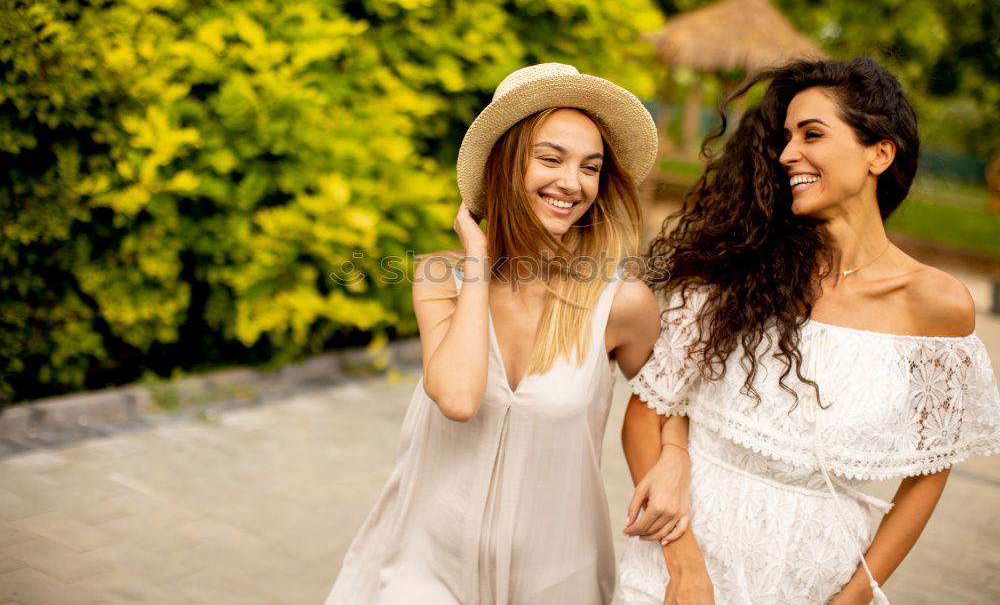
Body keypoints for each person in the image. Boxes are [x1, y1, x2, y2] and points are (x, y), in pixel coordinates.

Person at [615, 57, 1000, 604]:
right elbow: (646, 413)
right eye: (786, 137)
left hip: (816, 577)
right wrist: (682, 565)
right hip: (680, 565)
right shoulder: (735, 271)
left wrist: (856, 595)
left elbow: (929, 471)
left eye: (811, 134)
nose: (788, 153)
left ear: (879, 153)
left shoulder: (936, 306)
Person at [325, 63, 687, 605]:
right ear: (504, 167)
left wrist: (675, 454)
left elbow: (670, 393)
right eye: (550, 158)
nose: (572, 183)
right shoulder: (438, 278)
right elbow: (459, 396)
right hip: (422, 567)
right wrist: (477, 260)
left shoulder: (620, 302)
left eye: (590, 167)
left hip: (556, 577)